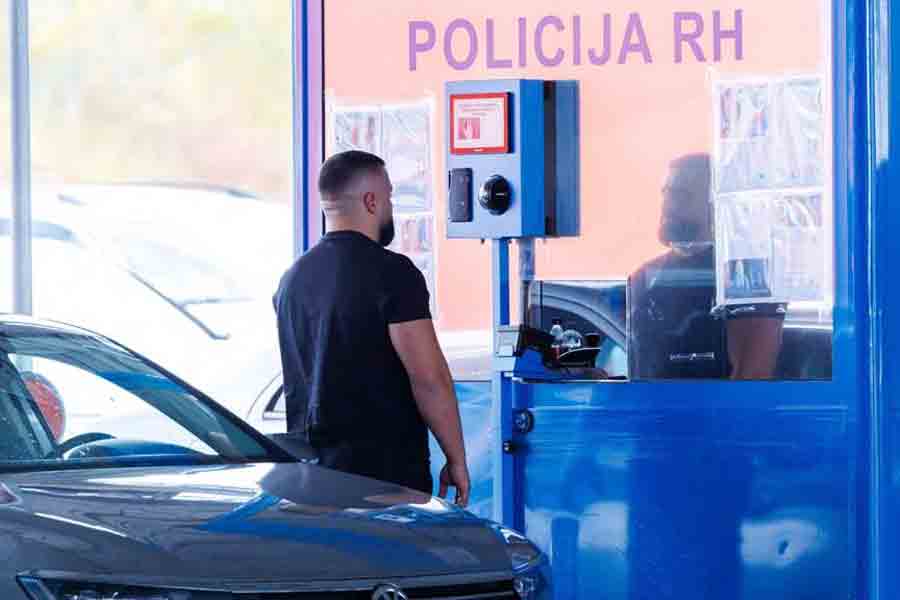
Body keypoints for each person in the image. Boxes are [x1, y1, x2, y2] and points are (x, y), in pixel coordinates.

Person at [273, 150, 470, 506]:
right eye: (390, 196)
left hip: (313, 478)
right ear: (371, 201)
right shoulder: (392, 274)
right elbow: (429, 378)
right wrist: (455, 458)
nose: (391, 206)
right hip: (385, 480)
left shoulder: (292, 280)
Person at [628, 153, 786, 380]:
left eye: (681, 195)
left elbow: (753, 374)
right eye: (666, 193)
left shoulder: (747, 277)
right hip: (652, 410)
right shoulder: (645, 277)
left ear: (714, 204)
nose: (668, 205)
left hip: (712, 410)